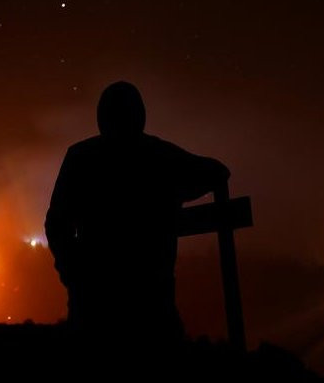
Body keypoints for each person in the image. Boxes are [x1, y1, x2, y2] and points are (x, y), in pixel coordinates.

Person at [44, 81, 230, 343]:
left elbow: (56, 224)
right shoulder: (160, 156)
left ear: (101, 117)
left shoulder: (81, 157)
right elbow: (217, 172)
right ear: (140, 115)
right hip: (153, 304)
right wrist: (172, 194)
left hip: (94, 306)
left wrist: (74, 275)